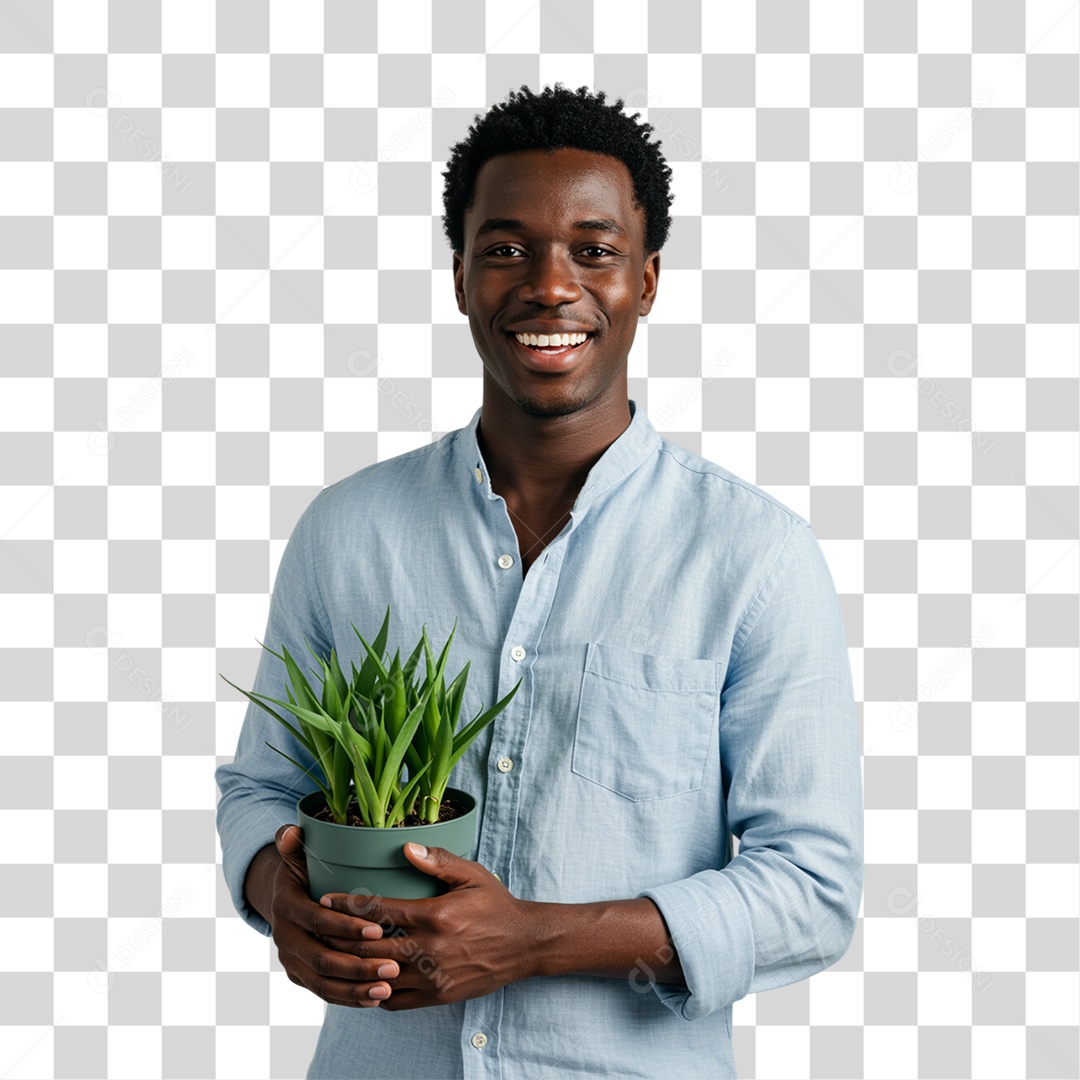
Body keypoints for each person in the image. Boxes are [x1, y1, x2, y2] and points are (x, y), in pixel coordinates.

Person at [215, 84, 863, 1080]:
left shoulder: (756, 556)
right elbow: (262, 788)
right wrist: (275, 894)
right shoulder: (347, 532)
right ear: (462, 277)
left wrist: (536, 938)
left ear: (645, 282)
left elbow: (812, 890)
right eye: (507, 249)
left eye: (593, 251)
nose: (550, 287)